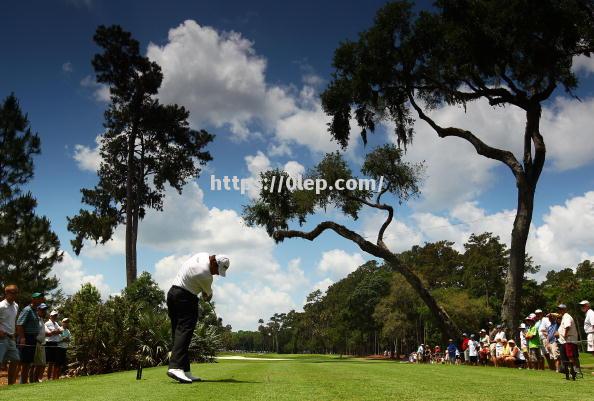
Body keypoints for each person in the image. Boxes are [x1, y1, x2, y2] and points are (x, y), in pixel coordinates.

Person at [167, 253, 230, 383]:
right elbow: (207, 295)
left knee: (178, 333)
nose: (217, 274)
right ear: (214, 263)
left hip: (172, 294)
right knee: (185, 332)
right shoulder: (206, 275)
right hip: (186, 298)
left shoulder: (202, 255)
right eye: (217, 271)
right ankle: (175, 367)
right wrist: (207, 295)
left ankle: (185, 370)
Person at [15, 292, 44, 384]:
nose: (40, 300)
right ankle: (22, 383)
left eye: (41, 298)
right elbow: (19, 324)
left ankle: (23, 382)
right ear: (33, 299)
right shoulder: (27, 310)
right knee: (24, 362)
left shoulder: (35, 311)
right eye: (38, 298)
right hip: (26, 337)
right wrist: (22, 338)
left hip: (32, 338)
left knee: (28, 362)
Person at [0, 284, 20, 385]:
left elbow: (13, 321)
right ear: (6, 293)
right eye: (13, 293)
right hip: (1, 339)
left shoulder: (16, 305)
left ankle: (11, 385)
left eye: (16, 293)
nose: (15, 295)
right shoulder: (1, 306)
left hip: (11, 338)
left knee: (15, 360)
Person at [557, 304, 579, 380]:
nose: (560, 311)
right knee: (570, 356)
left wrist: (565, 335)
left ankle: (573, 372)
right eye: (559, 309)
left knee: (571, 356)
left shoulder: (566, 317)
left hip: (569, 339)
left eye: (561, 309)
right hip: (568, 339)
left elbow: (567, 326)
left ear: (565, 309)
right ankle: (573, 372)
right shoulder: (564, 316)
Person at [31, 303, 49, 383]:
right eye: (42, 310)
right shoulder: (36, 319)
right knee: (34, 364)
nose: (44, 311)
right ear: (38, 310)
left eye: (45, 310)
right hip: (36, 342)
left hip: (42, 343)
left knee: (40, 364)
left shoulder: (41, 319)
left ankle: (36, 380)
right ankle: (32, 380)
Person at [45, 310, 63, 380]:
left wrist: (56, 331)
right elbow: (51, 333)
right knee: (50, 362)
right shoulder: (47, 323)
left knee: (54, 361)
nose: (55, 317)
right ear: (50, 316)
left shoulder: (56, 323)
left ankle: (53, 378)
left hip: (56, 343)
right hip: (49, 343)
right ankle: (49, 377)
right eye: (54, 315)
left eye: (56, 315)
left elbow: (61, 331)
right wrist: (56, 331)